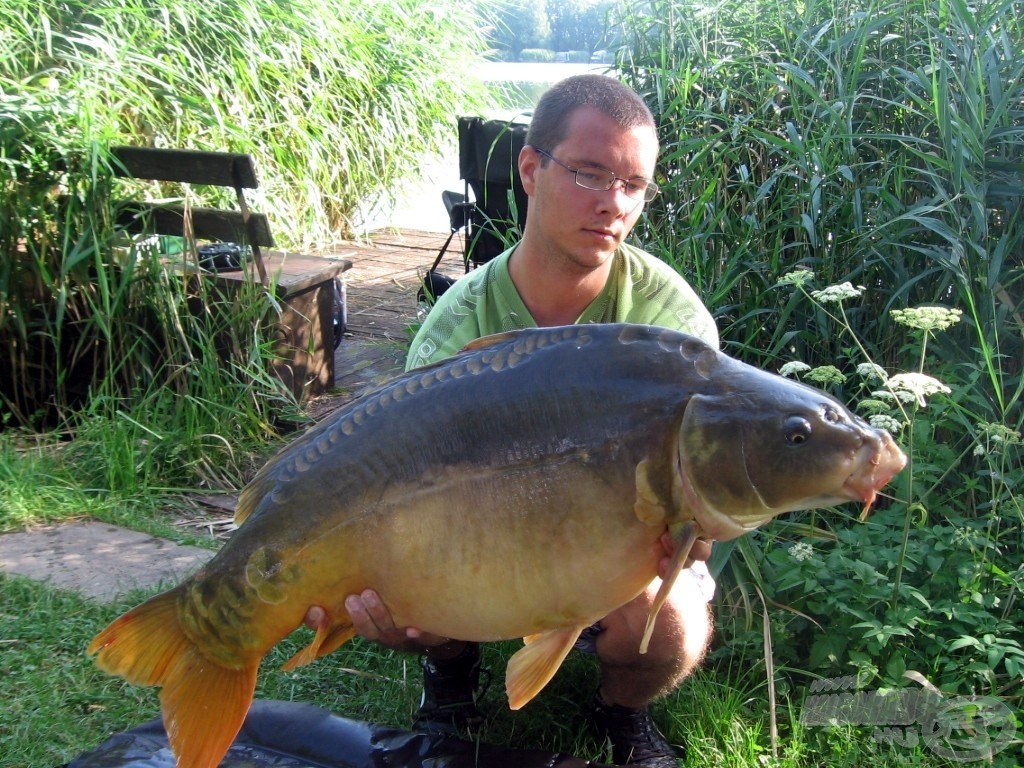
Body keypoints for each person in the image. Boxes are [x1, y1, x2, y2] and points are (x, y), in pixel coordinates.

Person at [314, 74, 718, 768]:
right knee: (396, 588)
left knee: (674, 625)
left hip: (612, 547)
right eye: (590, 174)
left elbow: (701, 486)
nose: (613, 205)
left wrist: (696, 526)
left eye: (634, 186)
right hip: (481, 542)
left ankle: (622, 707)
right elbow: (402, 475)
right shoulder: (458, 323)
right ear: (531, 168)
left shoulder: (668, 321)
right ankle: (450, 660)